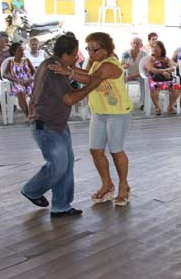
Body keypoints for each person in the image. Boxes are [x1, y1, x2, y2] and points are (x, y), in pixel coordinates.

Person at [21, 34, 102, 218]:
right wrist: (92, 86)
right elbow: (69, 98)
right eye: (74, 54)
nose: (76, 58)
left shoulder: (54, 64)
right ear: (64, 54)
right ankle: (31, 190)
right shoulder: (54, 70)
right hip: (46, 125)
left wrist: (77, 73)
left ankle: (61, 205)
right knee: (58, 165)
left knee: (66, 165)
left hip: (57, 124)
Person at [50, 32, 133, 206]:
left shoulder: (111, 65)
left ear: (106, 49)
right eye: (88, 49)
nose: (90, 53)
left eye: (94, 49)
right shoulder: (96, 62)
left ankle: (123, 186)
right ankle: (107, 184)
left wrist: (68, 71)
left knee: (116, 150)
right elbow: (88, 73)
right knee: (95, 150)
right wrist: (69, 69)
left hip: (117, 113)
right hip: (99, 112)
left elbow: (90, 79)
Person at [144, 41, 181, 115]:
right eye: (153, 47)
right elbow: (150, 69)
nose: (154, 49)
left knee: (177, 87)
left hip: (166, 79)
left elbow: (172, 68)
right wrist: (162, 72)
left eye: (156, 47)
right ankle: (157, 107)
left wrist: (166, 72)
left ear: (161, 49)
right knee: (154, 87)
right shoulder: (150, 58)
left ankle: (170, 107)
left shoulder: (166, 59)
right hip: (154, 79)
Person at [2, 42, 35, 120]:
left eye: (22, 50)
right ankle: (27, 115)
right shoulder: (11, 62)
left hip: (28, 82)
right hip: (17, 83)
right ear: (14, 52)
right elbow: (5, 75)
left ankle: (33, 112)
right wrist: (16, 80)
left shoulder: (27, 61)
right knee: (20, 92)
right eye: (19, 50)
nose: (22, 52)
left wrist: (30, 79)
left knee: (34, 92)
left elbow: (34, 72)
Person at [122, 36, 147, 110]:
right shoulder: (126, 53)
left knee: (145, 81)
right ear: (131, 44)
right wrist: (124, 66)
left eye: (138, 43)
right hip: (128, 75)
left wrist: (133, 76)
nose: (135, 45)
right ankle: (123, 102)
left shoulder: (144, 55)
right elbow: (121, 64)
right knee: (119, 80)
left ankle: (142, 103)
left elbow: (146, 70)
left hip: (140, 75)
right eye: (134, 43)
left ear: (141, 45)